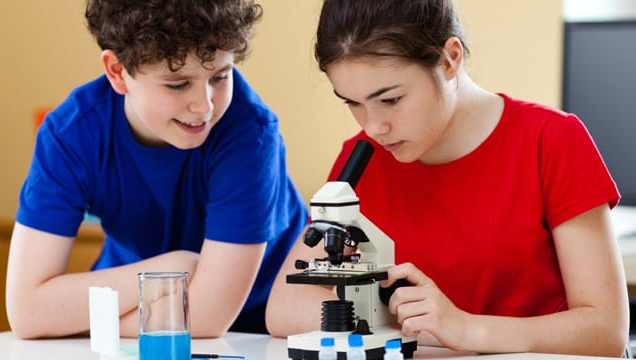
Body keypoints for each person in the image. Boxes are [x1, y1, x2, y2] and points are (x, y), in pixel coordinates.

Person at [266, 0, 629, 357]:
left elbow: (606, 330)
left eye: (390, 99)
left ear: (449, 59)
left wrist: (466, 328)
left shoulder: (551, 140)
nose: (373, 126)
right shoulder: (360, 159)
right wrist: (417, 321)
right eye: (353, 103)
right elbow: (284, 307)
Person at [6, 0, 307, 339]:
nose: (204, 106)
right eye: (177, 84)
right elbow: (27, 313)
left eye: (220, 76)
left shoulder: (249, 132)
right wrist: (173, 268)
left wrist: (95, 325)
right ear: (117, 72)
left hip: (258, 322)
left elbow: (208, 317)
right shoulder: (71, 133)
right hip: (138, 300)